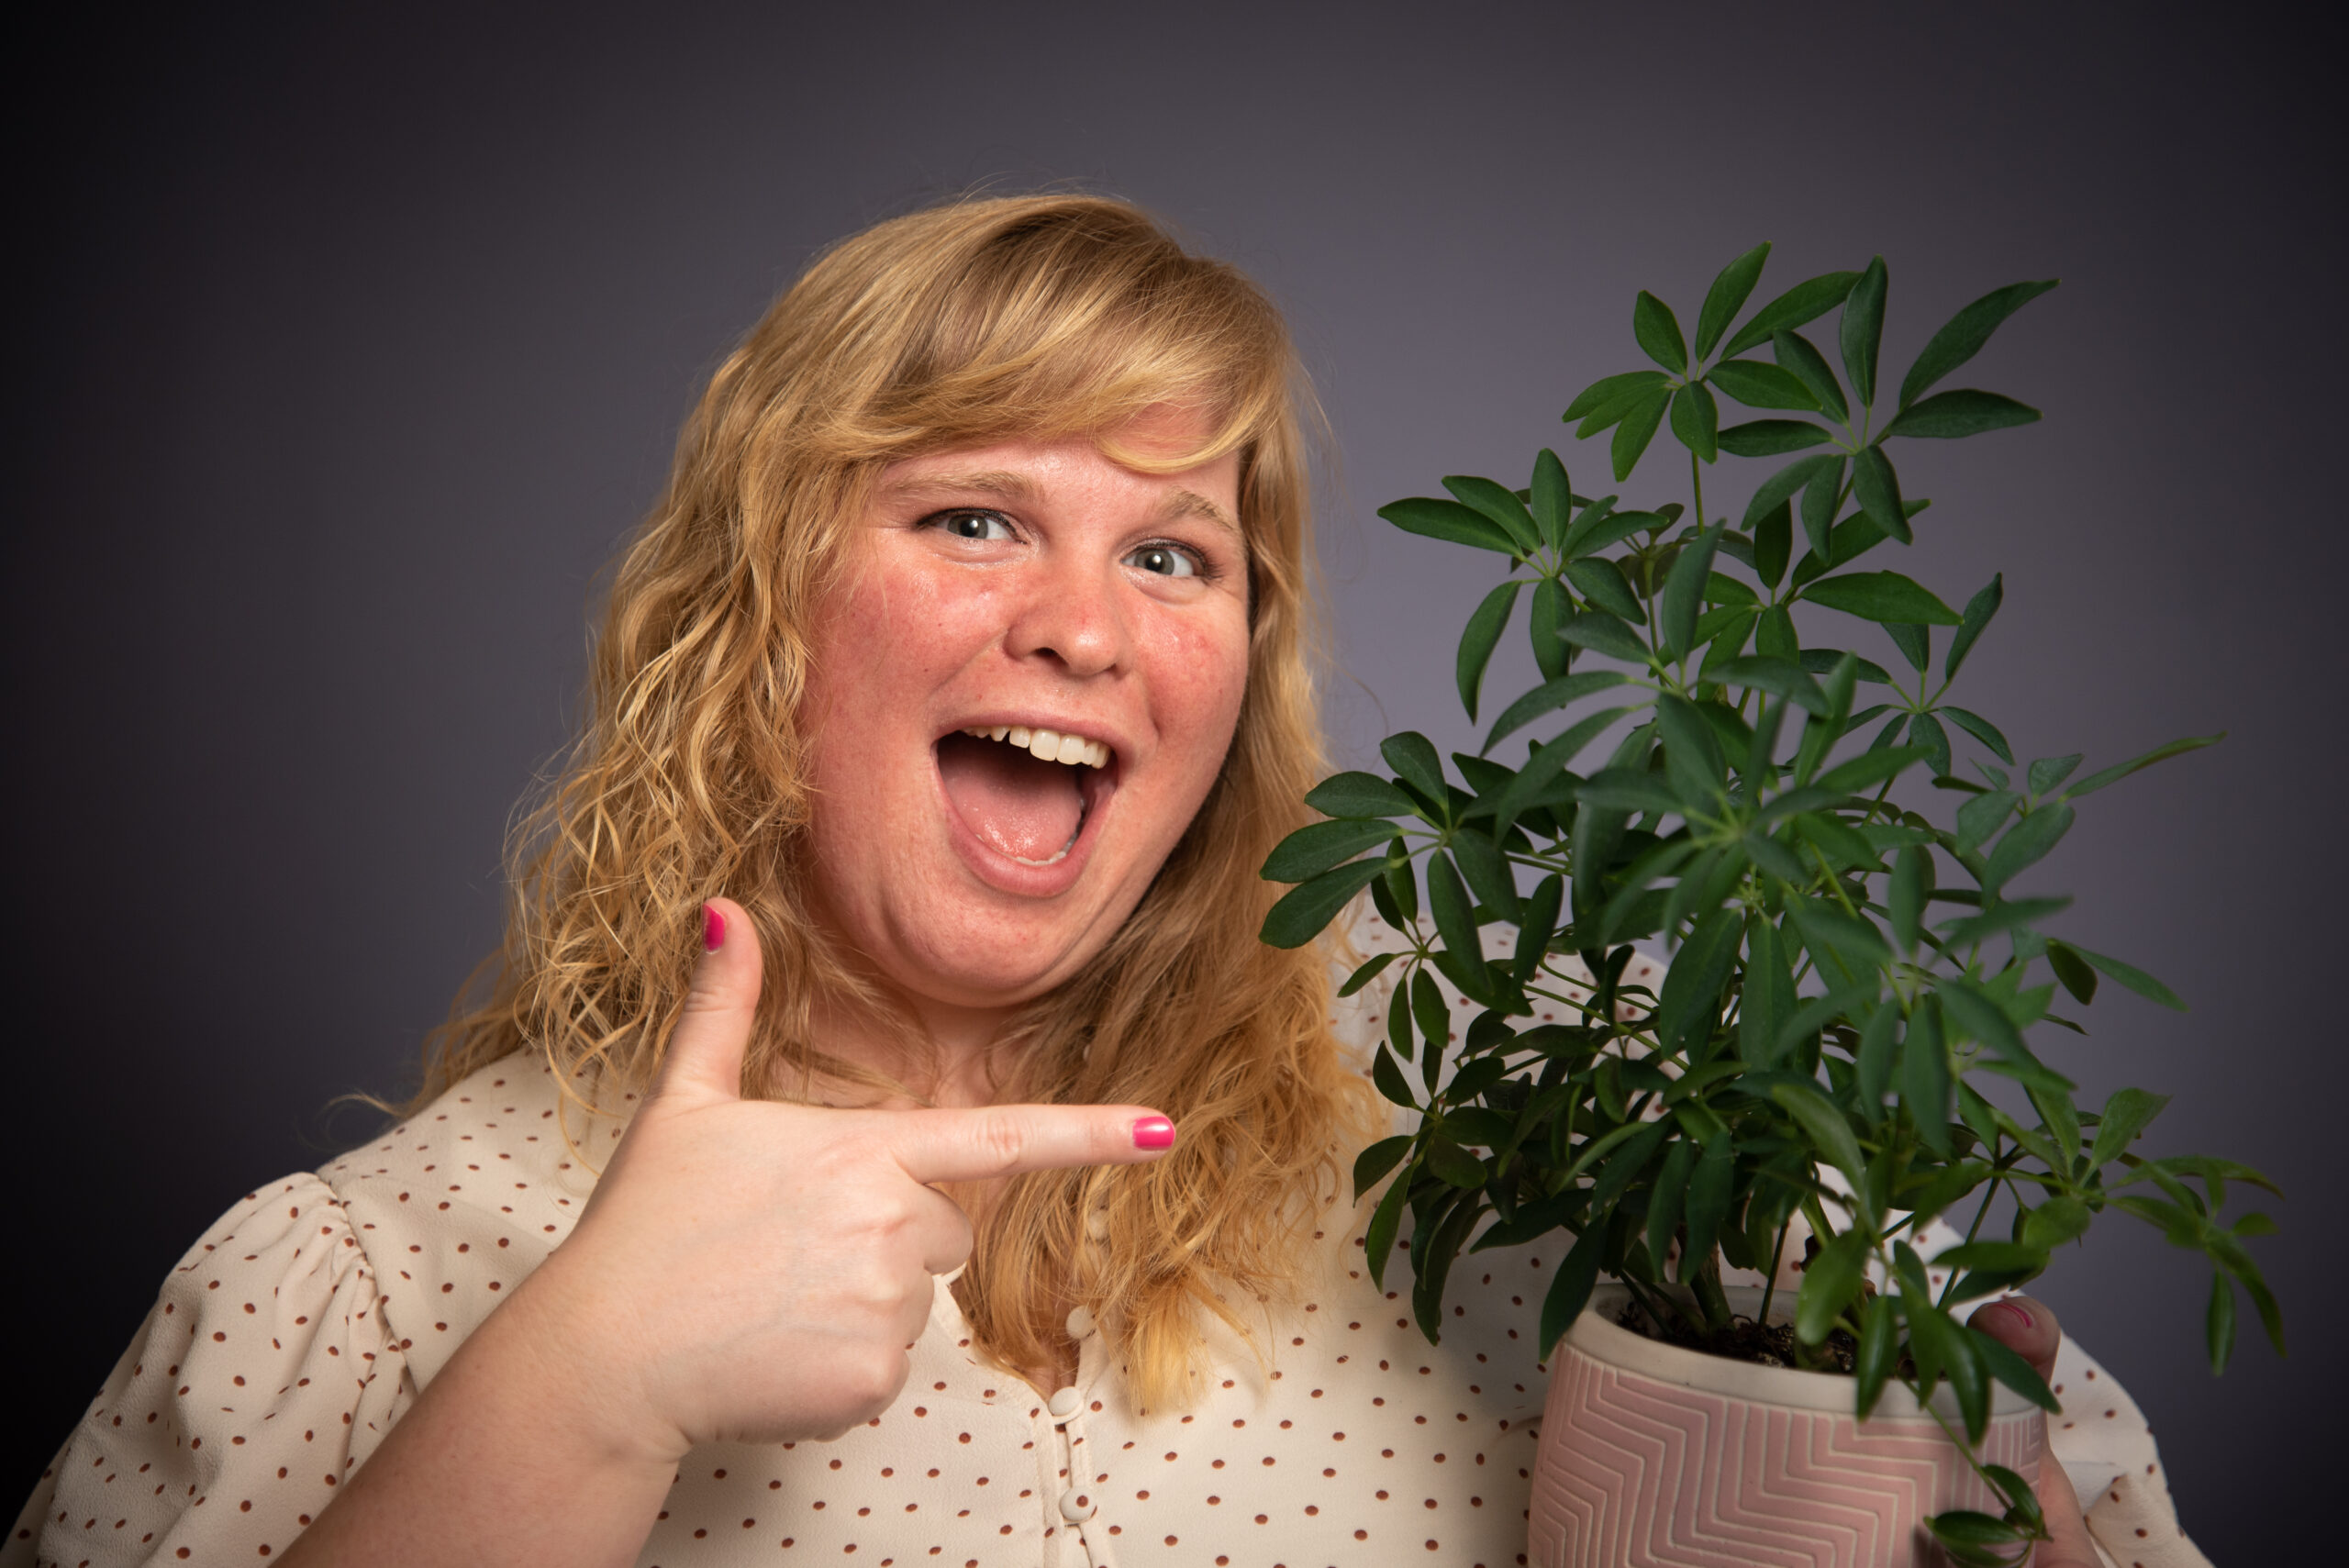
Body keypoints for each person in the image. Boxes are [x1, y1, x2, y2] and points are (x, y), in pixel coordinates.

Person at [7, 195, 2188, 1568]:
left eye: (1172, 552)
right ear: (756, 620)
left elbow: (2030, 1472)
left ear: (1237, 675)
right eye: (973, 517)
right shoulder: (372, 1286)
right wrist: (572, 1393)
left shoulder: (1565, 1118)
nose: (1084, 623)